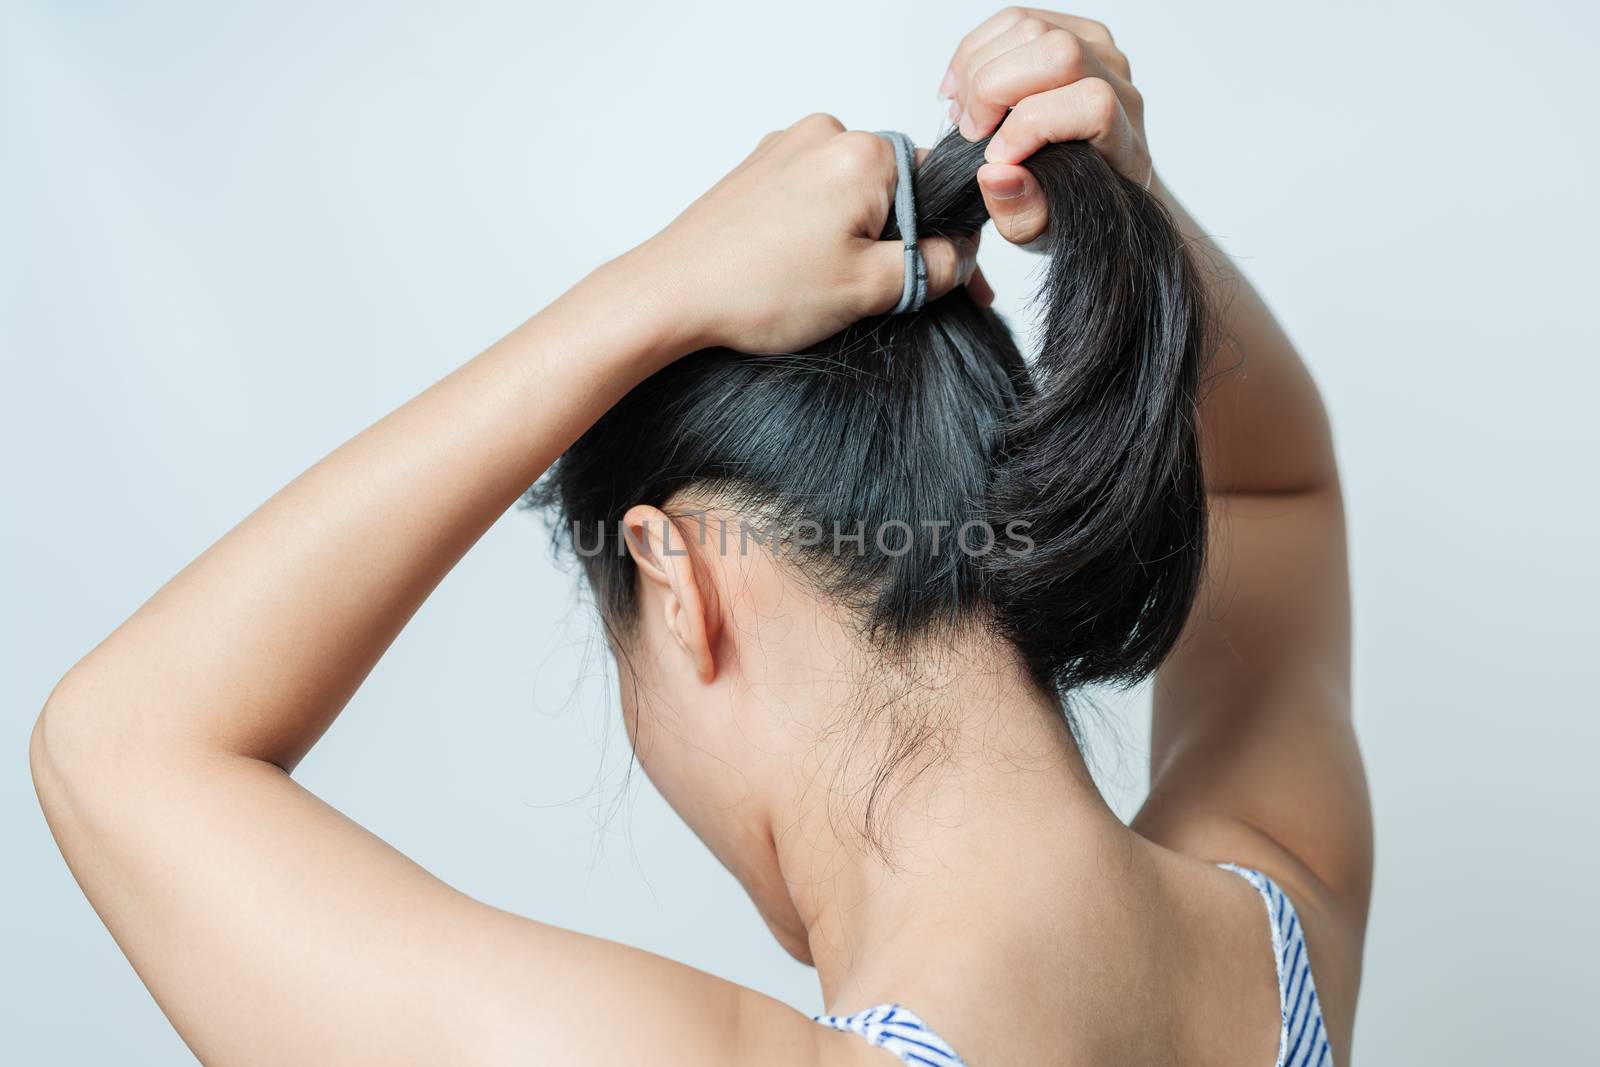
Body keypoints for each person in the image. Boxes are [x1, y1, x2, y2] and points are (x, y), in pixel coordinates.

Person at [29, 8, 1371, 1065]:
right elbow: (1275, 488)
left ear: (681, 587)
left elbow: (119, 747)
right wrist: (1115, 196)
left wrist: (650, 295)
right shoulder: (1278, 938)